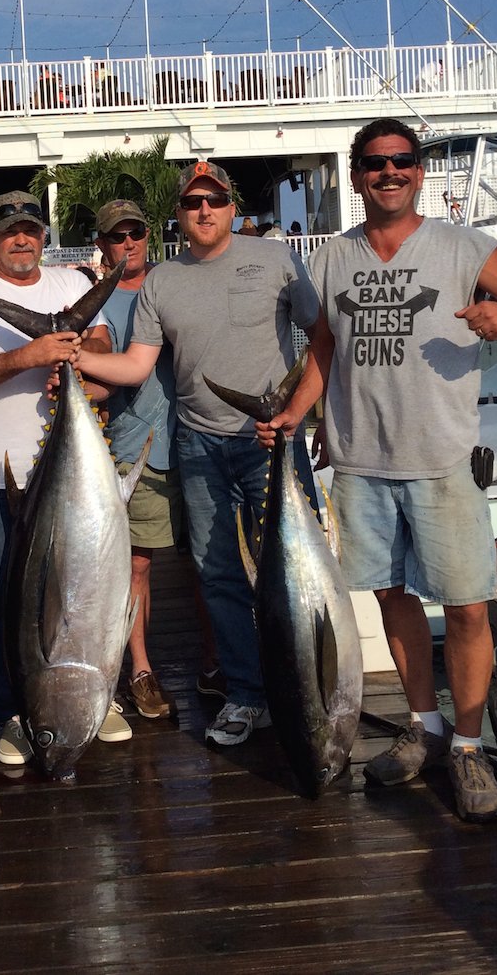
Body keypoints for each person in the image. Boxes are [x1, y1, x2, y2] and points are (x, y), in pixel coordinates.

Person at [258, 118, 497, 823]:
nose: (389, 172)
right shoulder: (332, 257)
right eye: (374, 163)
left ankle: (467, 745)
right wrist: (293, 416)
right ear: (358, 174)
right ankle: (424, 727)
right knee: (391, 596)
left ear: (420, 171)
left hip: (440, 459)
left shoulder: (462, 246)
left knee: (463, 604)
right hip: (360, 462)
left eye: (402, 161)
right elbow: (324, 353)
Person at [75, 162, 320, 746]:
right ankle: (245, 695)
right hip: (200, 443)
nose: (204, 210)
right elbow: (136, 363)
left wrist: (301, 414)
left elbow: (323, 338)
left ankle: (310, 692)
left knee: (298, 576)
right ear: (180, 215)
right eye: (192, 203)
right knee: (219, 577)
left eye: (214, 200)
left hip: (271, 441)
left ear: (232, 207)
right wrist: (69, 356)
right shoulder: (163, 282)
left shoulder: (279, 261)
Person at [0, 190, 132, 764]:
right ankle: (14, 712)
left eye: (30, 229)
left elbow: (101, 352)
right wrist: (30, 356)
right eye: (9, 231)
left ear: (43, 236)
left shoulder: (75, 288)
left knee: (95, 590)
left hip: (82, 478)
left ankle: (97, 696)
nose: (21, 239)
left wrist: (77, 365)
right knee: (10, 597)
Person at [93, 200, 183, 719]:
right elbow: (102, 382)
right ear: (102, 244)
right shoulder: (98, 301)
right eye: (117, 235)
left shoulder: (175, 284)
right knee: (137, 567)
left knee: (207, 564)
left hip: (193, 438)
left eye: (136, 233)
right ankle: (141, 668)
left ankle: (215, 663)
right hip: (134, 446)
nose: (128, 242)